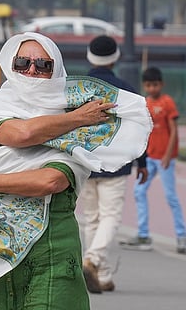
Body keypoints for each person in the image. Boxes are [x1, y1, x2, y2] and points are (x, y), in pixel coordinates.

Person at [0, 32, 151, 309]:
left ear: (56, 70)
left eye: (43, 65)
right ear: (10, 65)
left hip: (52, 249)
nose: (32, 70)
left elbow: (50, 181)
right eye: (23, 63)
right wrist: (74, 119)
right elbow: (22, 134)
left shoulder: (79, 121)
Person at [78, 35, 148, 294]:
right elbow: (140, 128)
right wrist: (142, 162)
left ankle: (103, 275)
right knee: (110, 216)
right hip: (117, 162)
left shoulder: (80, 87)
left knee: (92, 217)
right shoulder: (126, 89)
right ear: (116, 57)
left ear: (89, 55)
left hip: (86, 160)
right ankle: (93, 261)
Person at [120, 67, 186, 254]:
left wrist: (168, 154)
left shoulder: (167, 103)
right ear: (144, 85)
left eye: (155, 84)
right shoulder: (145, 104)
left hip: (165, 159)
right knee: (139, 192)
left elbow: (173, 129)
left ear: (161, 84)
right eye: (148, 85)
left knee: (171, 197)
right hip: (150, 158)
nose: (152, 88)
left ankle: (182, 237)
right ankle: (143, 234)